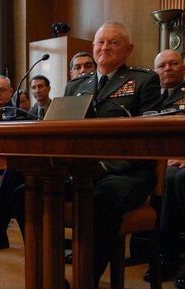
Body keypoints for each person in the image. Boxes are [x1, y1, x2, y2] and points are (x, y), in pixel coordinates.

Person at [64, 20, 162, 288]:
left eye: (113, 42)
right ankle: (52, 275)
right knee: (22, 192)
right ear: (93, 47)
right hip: (82, 170)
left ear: (128, 48)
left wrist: (108, 166)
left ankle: (86, 282)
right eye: (100, 42)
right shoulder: (76, 86)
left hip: (128, 172)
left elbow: (149, 138)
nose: (105, 47)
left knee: (100, 200)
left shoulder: (143, 80)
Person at [0, 75, 50, 253]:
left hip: (9, 163)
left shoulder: (23, 116)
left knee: (12, 170)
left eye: (1, 91)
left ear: (11, 92)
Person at [143, 49, 185, 288]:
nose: (167, 69)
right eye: (162, 66)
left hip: (178, 161)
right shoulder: (149, 94)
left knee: (172, 178)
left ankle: (165, 257)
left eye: (173, 64)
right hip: (158, 160)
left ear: (183, 67)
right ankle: (158, 254)